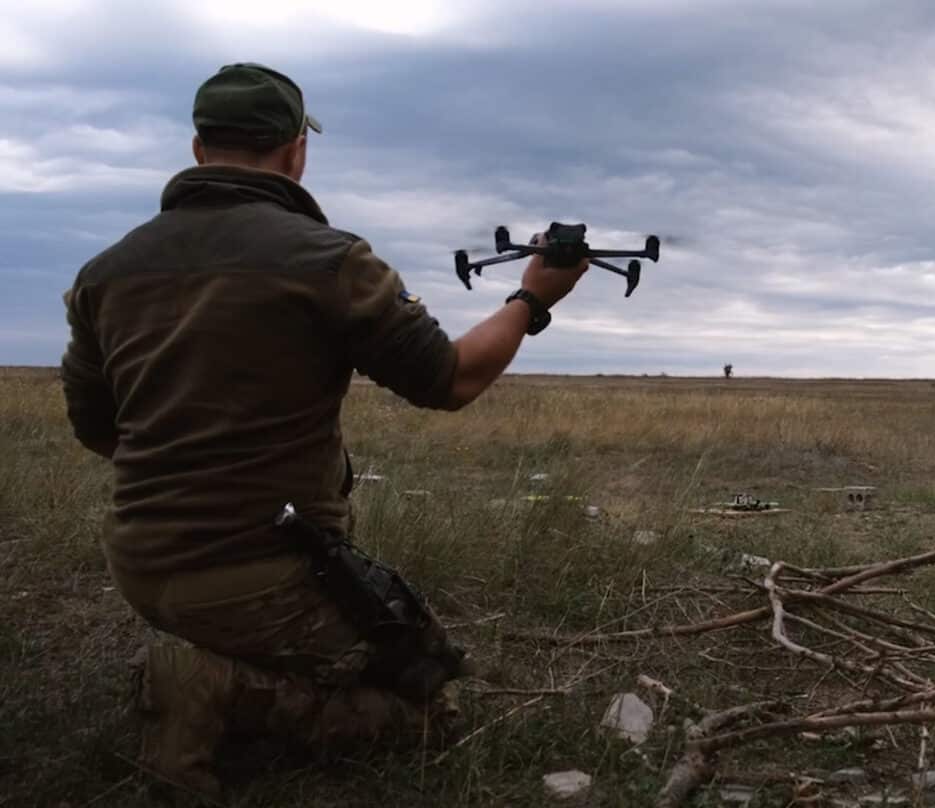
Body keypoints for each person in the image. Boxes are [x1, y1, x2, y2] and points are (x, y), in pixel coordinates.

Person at [58, 62, 588, 798]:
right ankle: (208, 684)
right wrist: (531, 297)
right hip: (263, 576)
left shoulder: (102, 273)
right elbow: (453, 379)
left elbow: (95, 426)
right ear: (295, 150)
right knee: (431, 703)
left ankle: (214, 657)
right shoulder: (327, 260)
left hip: (140, 567)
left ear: (198, 148)